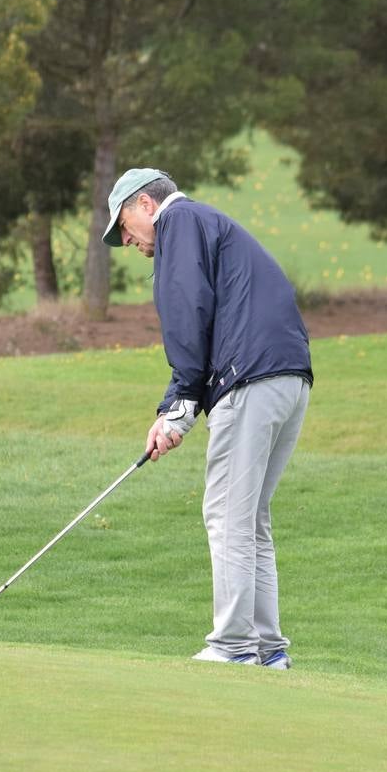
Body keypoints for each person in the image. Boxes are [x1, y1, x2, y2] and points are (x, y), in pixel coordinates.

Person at [103, 168, 313, 668]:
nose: (128, 240)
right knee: (250, 519)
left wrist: (177, 407)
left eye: (126, 226)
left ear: (147, 205)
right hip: (288, 379)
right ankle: (267, 650)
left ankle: (234, 646)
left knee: (226, 515)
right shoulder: (208, 223)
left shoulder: (180, 223)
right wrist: (184, 404)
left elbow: (187, 310)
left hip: (250, 378)